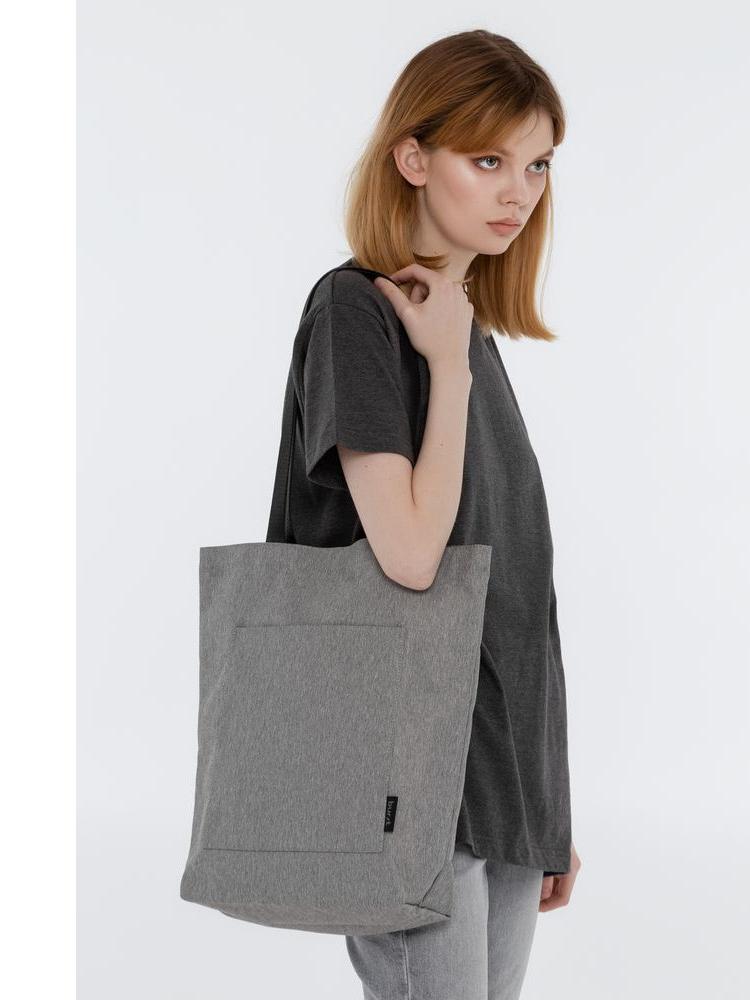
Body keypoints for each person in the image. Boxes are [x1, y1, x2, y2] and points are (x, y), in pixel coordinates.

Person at [279, 29, 581, 1000]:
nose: (517, 192)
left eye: (537, 165)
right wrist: (444, 367)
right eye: (487, 160)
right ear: (412, 157)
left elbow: (516, 597)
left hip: (496, 784)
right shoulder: (357, 314)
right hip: (400, 783)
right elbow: (412, 555)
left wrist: (547, 807)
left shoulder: (465, 329)